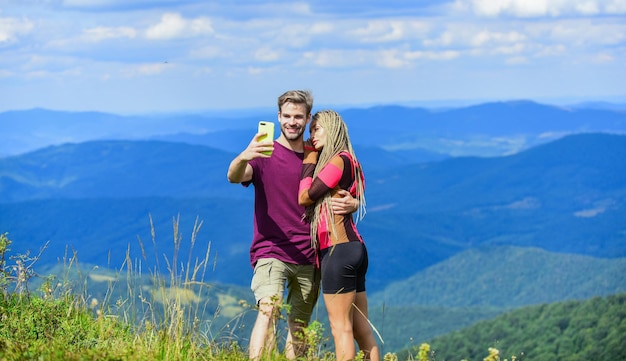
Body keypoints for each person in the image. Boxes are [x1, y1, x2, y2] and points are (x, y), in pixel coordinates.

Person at [226, 90, 357, 360]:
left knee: (299, 327)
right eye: (287, 116)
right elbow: (234, 176)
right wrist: (244, 156)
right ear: (278, 117)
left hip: (311, 253)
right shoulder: (263, 153)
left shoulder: (318, 156)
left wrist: (353, 204)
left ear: (308, 118)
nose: (292, 122)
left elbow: (345, 185)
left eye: (298, 116)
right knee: (269, 309)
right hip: (271, 250)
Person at [298, 110, 380, 361]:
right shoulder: (352, 161)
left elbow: (305, 197)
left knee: (340, 328)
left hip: (337, 250)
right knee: (361, 329)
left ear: (332, 130)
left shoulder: (337, 161)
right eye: (311, 130)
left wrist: (310, 159)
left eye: (317, 129)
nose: (312, 135)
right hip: (354, 249)